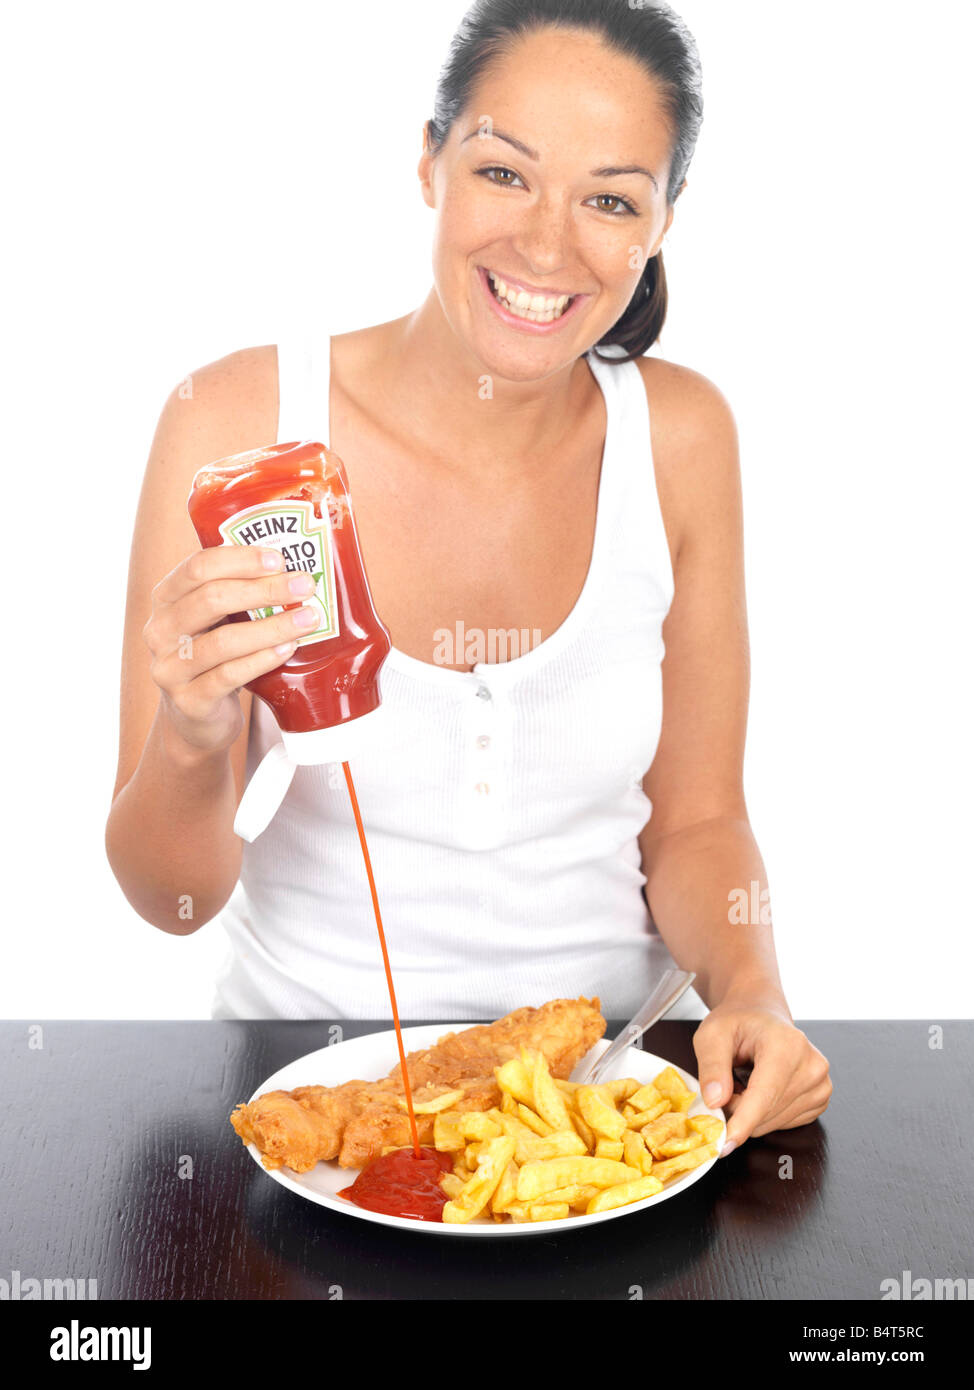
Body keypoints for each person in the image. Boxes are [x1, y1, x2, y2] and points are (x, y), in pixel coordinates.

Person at [105, 0, 832, 1156]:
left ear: (661, 223)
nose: (548, 248)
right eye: (504, 172)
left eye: (609, 198)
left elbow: (696, 819)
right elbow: (169, 898)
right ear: (429, 160)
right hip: (306, 1098)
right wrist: (192, 733)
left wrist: (752, 994)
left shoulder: (681, 434)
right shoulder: (242, 421)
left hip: (600, 1104)